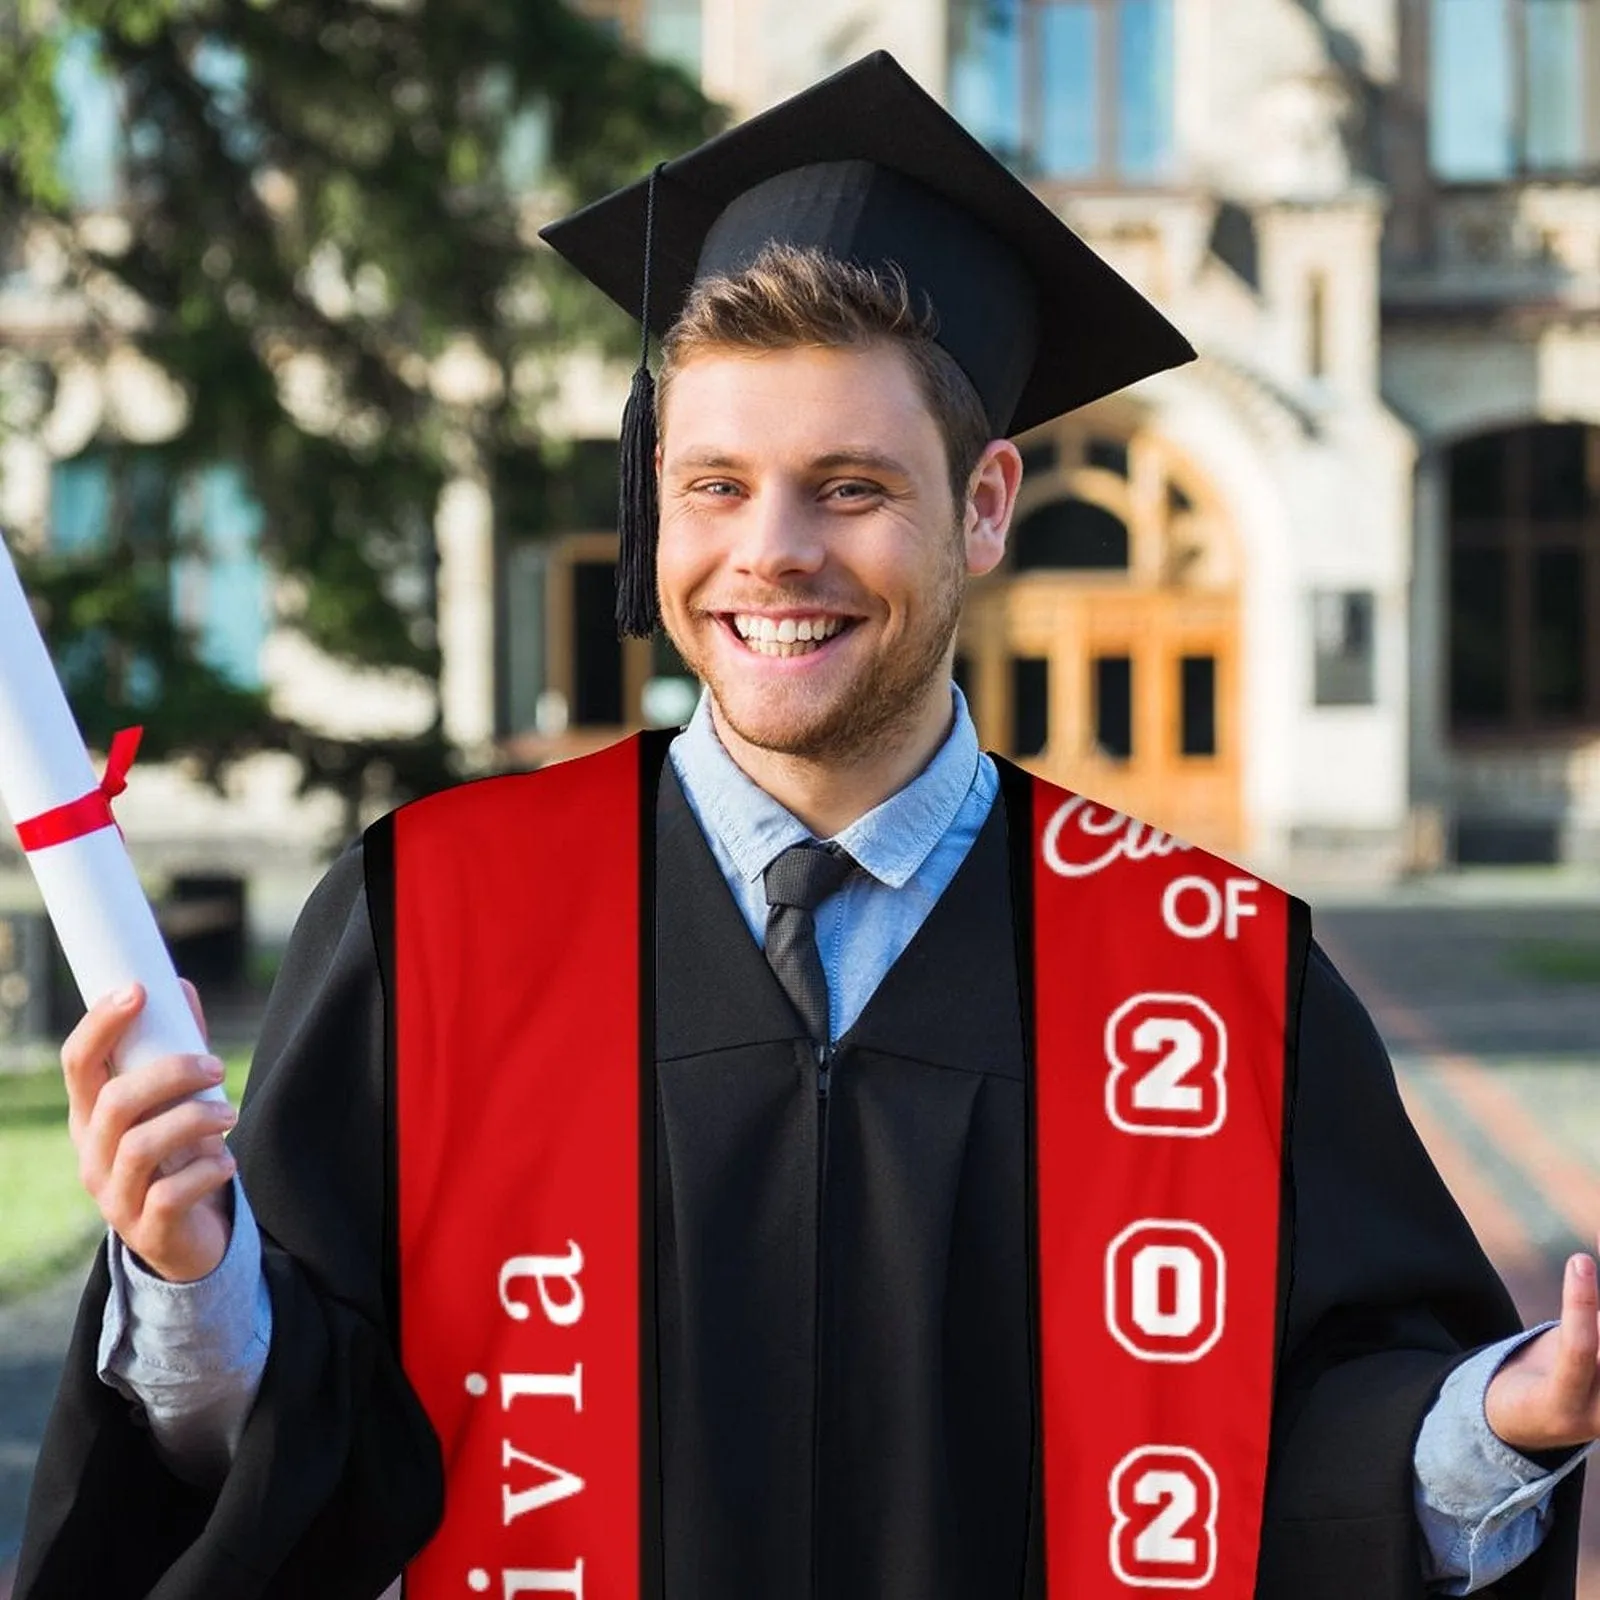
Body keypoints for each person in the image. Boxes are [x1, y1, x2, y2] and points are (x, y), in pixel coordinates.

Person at [13, 51, 1597, 1600]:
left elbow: (1311, 1439)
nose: (768, 555)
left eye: (849, 489)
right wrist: (188, 1282)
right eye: (712, 486)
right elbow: (310, 1454)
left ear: (985, 506)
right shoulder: (443, 917)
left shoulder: (1205, 970)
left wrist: (1498, 1426)